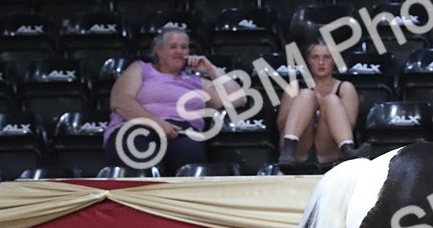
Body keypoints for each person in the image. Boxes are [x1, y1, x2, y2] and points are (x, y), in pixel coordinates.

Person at [104, 25, 243, 175]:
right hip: (136, 126)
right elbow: (120, 101)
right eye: (173, 47)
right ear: (159, 51)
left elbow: (238, 100)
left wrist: (211, 70)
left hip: (182, 133)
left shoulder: (196, 82)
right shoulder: (141, 69)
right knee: (140, 160)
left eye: (184, 47)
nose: (180, 51)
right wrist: (157, 124)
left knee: (189, 158)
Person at [276, 42, 371, 172]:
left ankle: (349, 151)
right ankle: (288, 152)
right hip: (298, 147)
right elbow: (281, 125)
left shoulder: (345, 88)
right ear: (308, 61)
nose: (321, 62)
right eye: (315, 57)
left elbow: (348, 126)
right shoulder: (295, 86)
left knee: (331, 100)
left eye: (326, 57)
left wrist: (322, 109)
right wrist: (306, 112)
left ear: (334, 60)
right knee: (307, 95)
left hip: (328, 146)